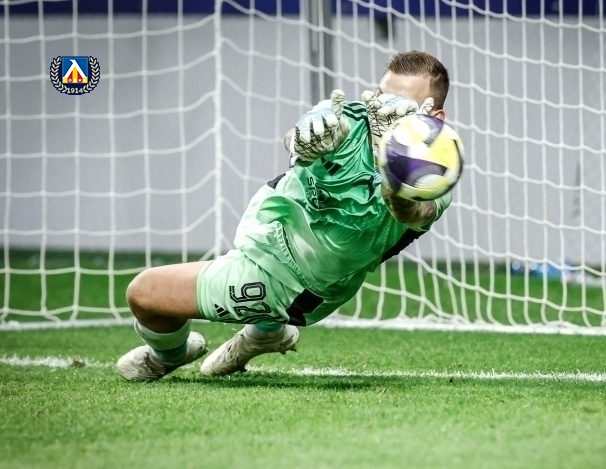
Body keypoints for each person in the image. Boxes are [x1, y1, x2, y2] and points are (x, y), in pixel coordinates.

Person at [116, 50, 454, 381]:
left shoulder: (432, 172)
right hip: (271, 230)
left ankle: (168, 355)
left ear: (435, 118)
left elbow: (415, 212)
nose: (384, 110)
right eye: (381, 96)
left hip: (292, 281)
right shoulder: (352, 118)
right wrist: (300, 139)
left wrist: (392, 172)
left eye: (402, 105)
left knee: (144, 293)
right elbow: (298, 136)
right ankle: (264, 334)